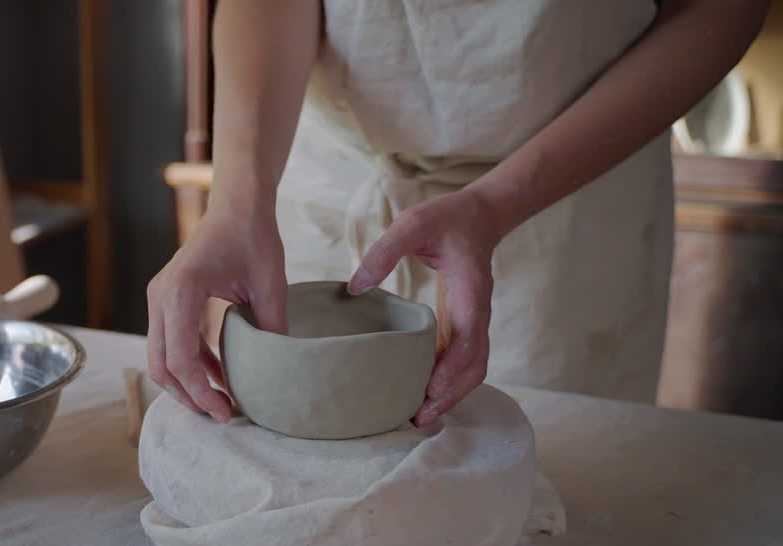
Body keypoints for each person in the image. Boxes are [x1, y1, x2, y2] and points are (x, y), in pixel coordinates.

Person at [147, 0, 768, 427]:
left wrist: (494, 205)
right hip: (329, 170)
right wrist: (235, 206)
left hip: (562, 199)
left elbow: (722, 8)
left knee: (542, 503)